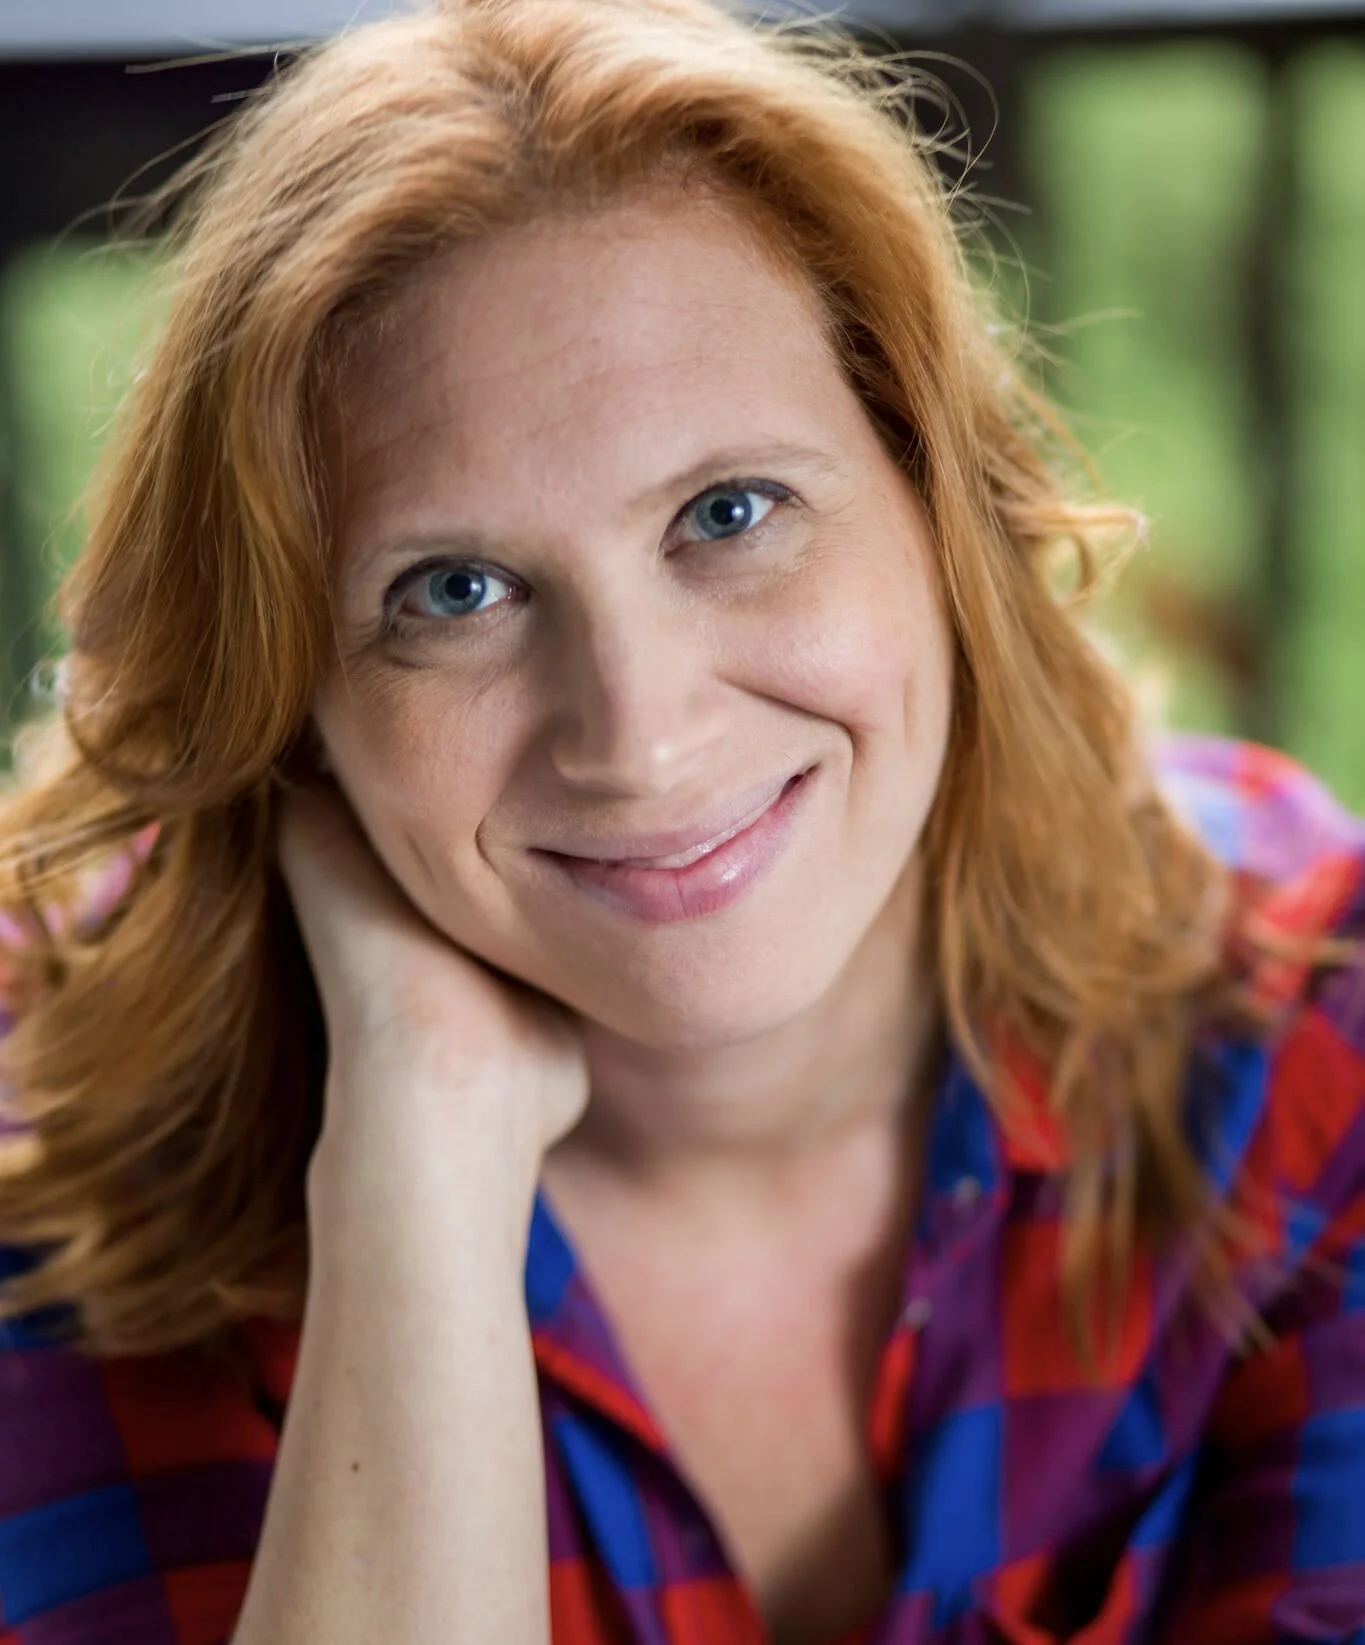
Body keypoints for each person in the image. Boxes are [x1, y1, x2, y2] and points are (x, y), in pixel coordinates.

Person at [0, 0, 1362, 1640]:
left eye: (733, 512)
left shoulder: (1301, 1032)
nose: (639, 738)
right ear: (292, 697)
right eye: (457, 590)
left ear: (944, 512)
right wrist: (420, 1154)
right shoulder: (52, 1149)